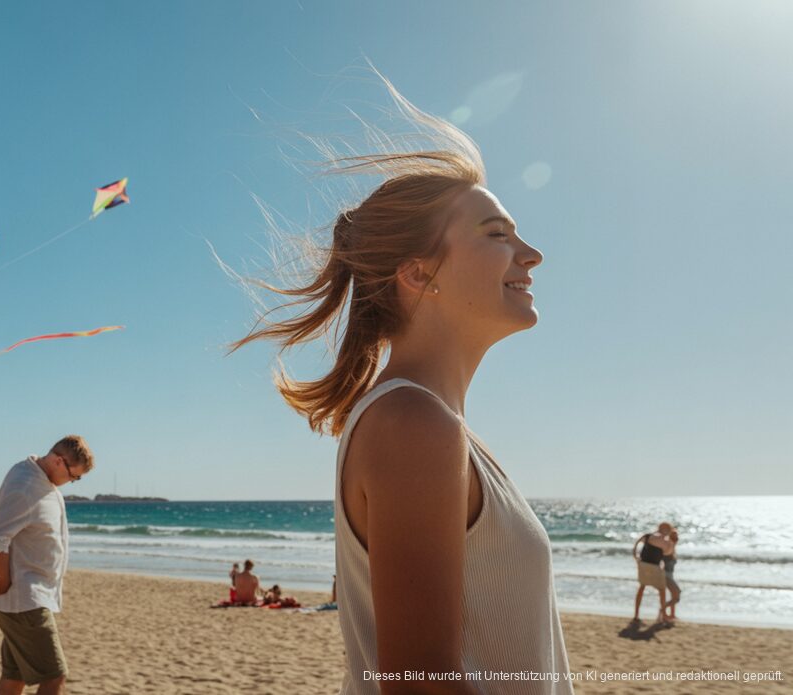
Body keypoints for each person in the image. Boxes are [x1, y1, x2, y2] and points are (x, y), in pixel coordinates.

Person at [232, 81, 570, 693]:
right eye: (498, 234)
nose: (533, 253)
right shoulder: (413, 426)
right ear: (418, 273)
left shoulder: (435, 425)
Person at [0, 435, 95, 695]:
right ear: (58, 461)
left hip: (27, 596)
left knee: (15, 675)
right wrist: (4, 580)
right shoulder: (26, 486)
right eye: (73, 476)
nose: (72, 482)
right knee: (55, 676)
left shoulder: (35, 475)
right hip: (25, 600)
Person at [632, 523, 675, 623]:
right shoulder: (664, 541)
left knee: (642, 587)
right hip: (654, 566)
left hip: (643, 564)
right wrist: (670, 543)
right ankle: (663, 616)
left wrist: (636, 556)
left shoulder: (648, 536)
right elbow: (667, 552)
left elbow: (637, 544)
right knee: (662, 590)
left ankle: (636, 615)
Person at [662, 530, 681, 621]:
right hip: (665, 575)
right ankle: (663, 610)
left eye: (676, 537)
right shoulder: (668, 548)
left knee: (674, 594)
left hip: (670, 575)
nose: (676, 539)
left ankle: (672, 614)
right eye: (673, 537)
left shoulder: (673, 549)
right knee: (677, 594)